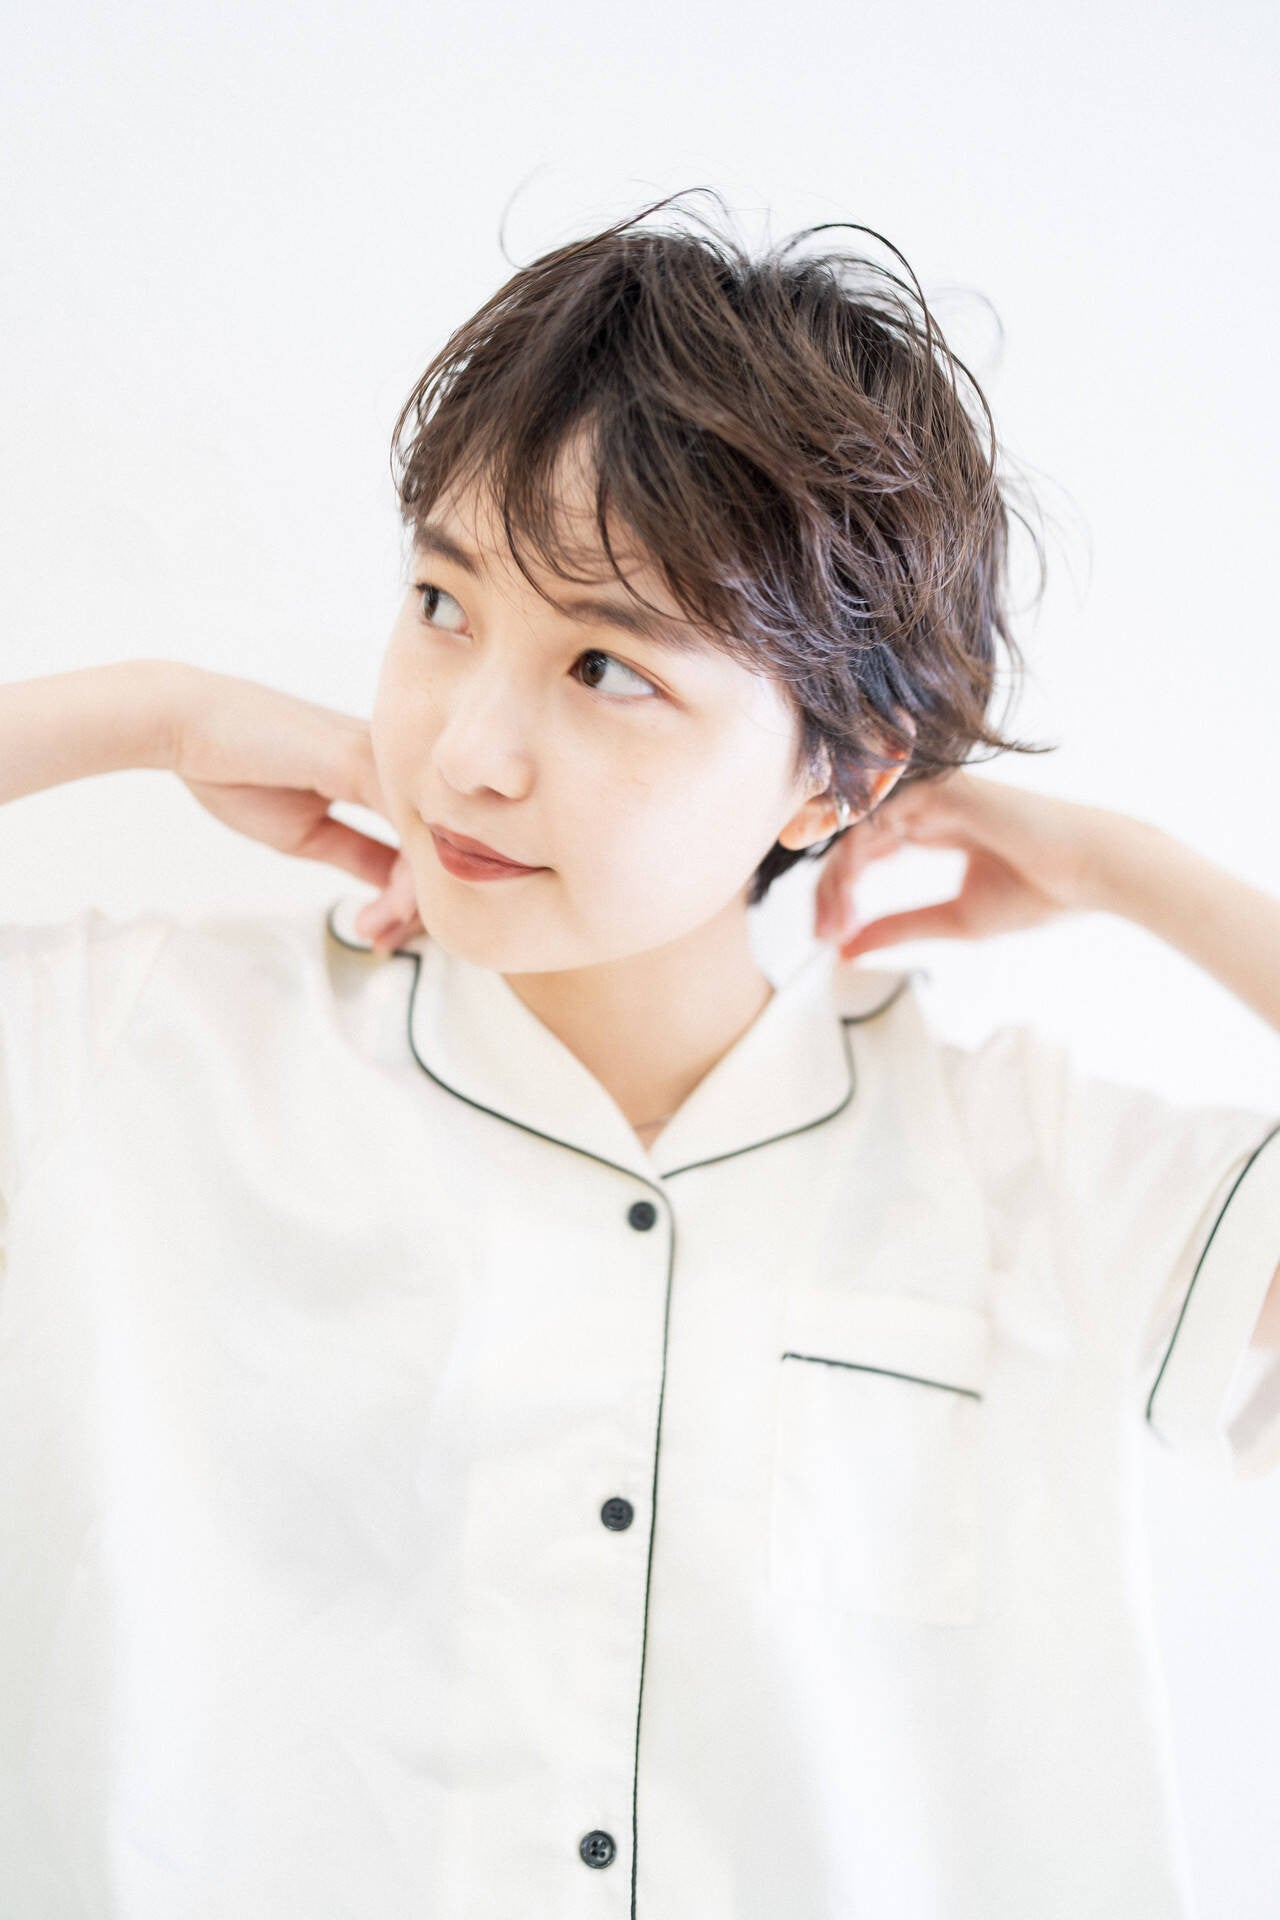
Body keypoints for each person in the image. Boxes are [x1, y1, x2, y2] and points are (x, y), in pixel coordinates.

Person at [1, 188, 1277, 1919]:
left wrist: (1133, 872)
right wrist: (143, 715)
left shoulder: (1026, 1166)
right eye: (442, 604)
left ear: (839, 776)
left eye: (606, 667)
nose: (467, 751)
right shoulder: (148, 1049)